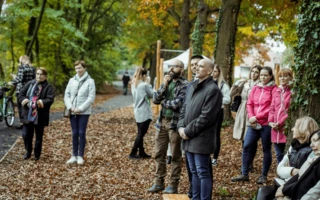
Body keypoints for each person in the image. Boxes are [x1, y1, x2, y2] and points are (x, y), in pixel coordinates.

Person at [177, 59, 222, 200]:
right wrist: (180, 127)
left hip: (202, 138)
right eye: (196, 66)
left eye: (201, 66)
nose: (196, 68)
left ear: (209, 71)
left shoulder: (213, 90)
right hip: (187, 136)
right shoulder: (192, 86)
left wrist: (187, 131)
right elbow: (184, 109)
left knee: (202, 172)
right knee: (193, 171)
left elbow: (206, 117)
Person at [147, 59, 188, 194]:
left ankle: (173, 185)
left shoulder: (185, 85)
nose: (171, 69)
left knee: (176, 155)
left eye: (175, 66)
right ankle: (159, 182)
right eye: (170, 66)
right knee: (159, 153)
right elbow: (155, 99)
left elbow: (178, 104)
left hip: (175, 123)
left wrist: (164, 102)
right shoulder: (167, 81)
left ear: (182, 69)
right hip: (162, 122)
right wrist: (164, 84)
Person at [232, 66, 276, 184]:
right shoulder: (255, 88)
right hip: (253, 123)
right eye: (261, 75)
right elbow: (250, 103)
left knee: (266, 149)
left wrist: (257, 117)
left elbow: (272, 107)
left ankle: (263, 175)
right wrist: (251, 116)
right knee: (246, 146)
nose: (263, 77)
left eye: (265, 75)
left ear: (271, 76)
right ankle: (244, 173)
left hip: (266, 123)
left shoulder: (274, 89)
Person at [256, 116, 317, 200]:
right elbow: (279, 169)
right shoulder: (294, 146)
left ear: (303, 129)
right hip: (285, 182)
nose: (292, 129)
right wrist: (293, 171)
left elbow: (306, 177)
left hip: (298, 187)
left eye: (295, 126)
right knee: (263, 191)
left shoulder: (314, 150)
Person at [230, 65, 262, 172]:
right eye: (252, 71)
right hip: (242, 111)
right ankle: (246, 163)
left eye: (256, 72)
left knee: (251, 139)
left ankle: (250, 163)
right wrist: (237, 83)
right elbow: (231, 94)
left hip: (253, 112)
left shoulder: (260, 85)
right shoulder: (245, 83)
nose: (253, 74)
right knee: (244, 139)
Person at [19, 67, 54, 160]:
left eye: (41, 74)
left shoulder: (48, 87)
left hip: (40, 115)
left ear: (45, 76)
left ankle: (37, 154)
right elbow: (21, 94)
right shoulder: (30, 83)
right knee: (26, 134)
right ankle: (28, 151)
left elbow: (50, 99)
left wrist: (41, 102)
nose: (38, 76)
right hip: (28, 113)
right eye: (37, 74)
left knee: (38, 135)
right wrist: (24, 100)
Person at [64, 60, 96, 165]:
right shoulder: (71, 80)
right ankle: (73, 155)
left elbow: (91, 97)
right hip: (72, 111)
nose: (78, 70)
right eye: (76, 68)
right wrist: (70, 107)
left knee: (81, 133)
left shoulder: (90, 81)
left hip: (84, 112)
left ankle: (80, 156)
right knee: (74, 133)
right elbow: (67, 95)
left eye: (80, 68)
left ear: (84, 68)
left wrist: (81, 108)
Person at [275, 129, 320, 200]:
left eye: (315, 140)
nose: (311, 145)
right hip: (289, 187)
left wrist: (284, 191)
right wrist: (282, 189)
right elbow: (280, 169)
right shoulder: (312, 156)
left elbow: (307, 186)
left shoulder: (312, 155)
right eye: (311, 141)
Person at [268, 68, 293, 164]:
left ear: (290, 78)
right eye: (280, 76)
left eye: (285, 76)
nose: (282, 78)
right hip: (275, 127)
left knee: (288, 153)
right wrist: (270, 122)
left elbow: (289, 111)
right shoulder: (276, 91)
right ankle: (280, 172)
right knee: (278, 154)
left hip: (285, 126)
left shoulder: (291, 91)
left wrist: (281, 122)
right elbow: (272, 108)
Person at [129, 67, 153, 159]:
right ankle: (133, 152)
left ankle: (141, 152)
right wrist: (149, 84)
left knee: (140, 132)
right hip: (144, 112)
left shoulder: (134, 84)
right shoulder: (144, 85)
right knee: (141, 134)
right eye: (145, 75)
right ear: (143, 75)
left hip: (137, 111)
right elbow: (152, 95)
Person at [8, 55, 35, 129]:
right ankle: (29, 120)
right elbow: (33, 79)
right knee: (28, 105)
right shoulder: (32, 68)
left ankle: (22, 123)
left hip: (21, 90)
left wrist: (12, 82)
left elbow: (20, 79)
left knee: (21, 107)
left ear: (22, 60)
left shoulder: (22, 67)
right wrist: (15, 77)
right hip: (30, 90)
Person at [211, 64, 231, 166]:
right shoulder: (207, 82)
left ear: (219, 73)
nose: (213, 73)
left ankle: (215, 157)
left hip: (218, 112)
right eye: (212, 71)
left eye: (215, 71)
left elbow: (228, 99)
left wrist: (216, 100)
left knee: (216, 135)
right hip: (207, 112)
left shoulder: (223, 85)